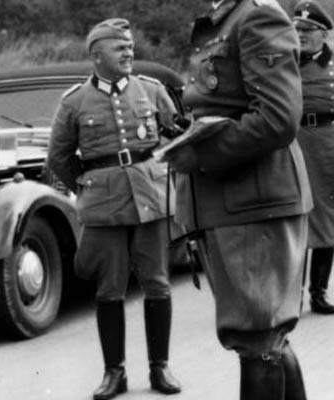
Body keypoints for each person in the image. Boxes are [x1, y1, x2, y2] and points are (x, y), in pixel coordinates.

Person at [163, 0, 313, 399]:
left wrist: (201, 153)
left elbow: (279, 118)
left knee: (259, 337)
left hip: (253, 202)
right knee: (265, 338)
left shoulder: (255, 15)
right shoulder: (222, 19)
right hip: (234, 201)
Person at [47, 18, 181, 400]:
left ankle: (160, 368)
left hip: (150, 199)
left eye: (130, 47)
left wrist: (161, 174)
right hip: (103, 203)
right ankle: (114, 374)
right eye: (119, 48)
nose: (129, 53)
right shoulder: (74, 102)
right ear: (96, 54)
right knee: (110, 288)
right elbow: (58, 156)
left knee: (156, 282)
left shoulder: (152, 91)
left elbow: (177, 138)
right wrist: (88, 185)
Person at [293, 0, 334, 315]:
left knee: (328, 217)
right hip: (296, 142)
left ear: (323, 33)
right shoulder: (286, 62)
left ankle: (318, 293)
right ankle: (292, 295)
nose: (301, 34)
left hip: (328, 142)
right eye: (297, 28)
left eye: (307, 30)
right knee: (298, 215)